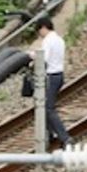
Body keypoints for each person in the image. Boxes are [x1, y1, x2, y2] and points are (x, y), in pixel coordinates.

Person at [31, 18, 72, 147]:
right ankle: (49, 135)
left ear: (43, 28)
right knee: (43, 106)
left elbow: (44, 58)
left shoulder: (48, 40)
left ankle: (65, 138)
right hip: (59, 75)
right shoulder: (60, 39)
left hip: (51, 77)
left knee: (48, 108)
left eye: (39, 31)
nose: (39, 35)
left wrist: (32, 57)